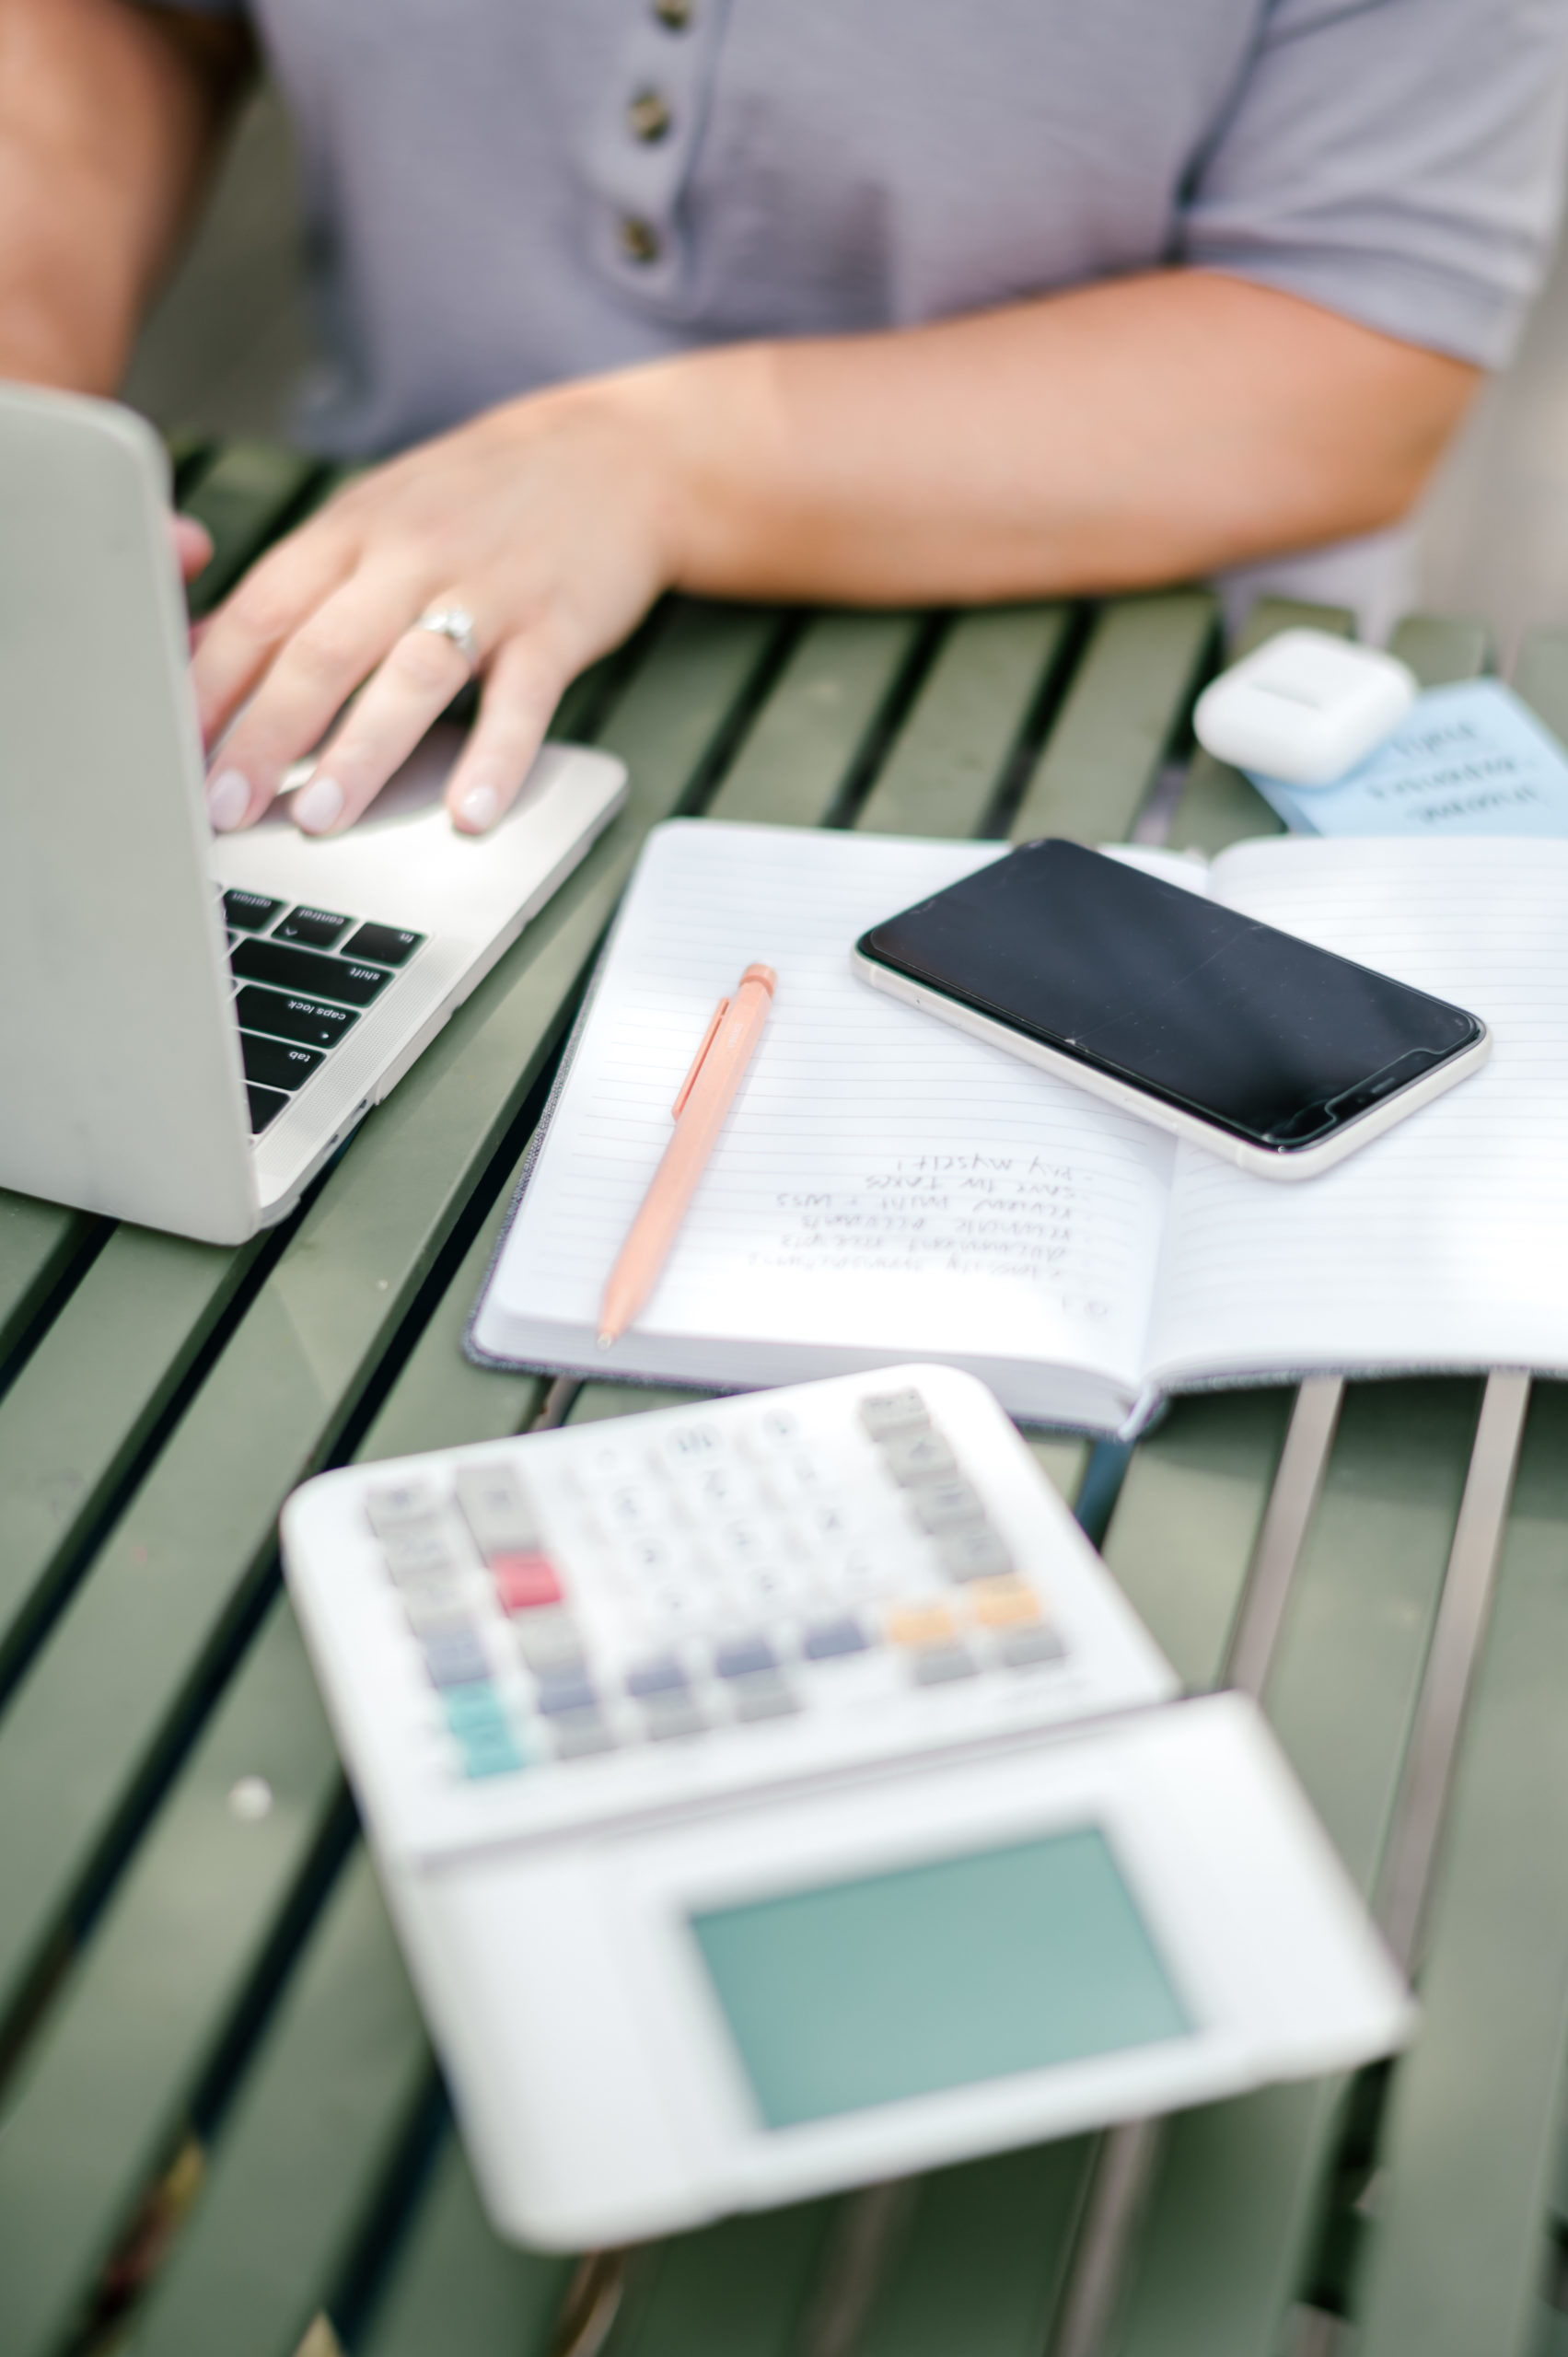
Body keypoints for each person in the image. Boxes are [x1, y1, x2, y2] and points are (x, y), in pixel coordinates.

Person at [4, 0, 1566, 842]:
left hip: (1087, 756)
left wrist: (651, 459)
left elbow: (1352, 357)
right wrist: (20, 372)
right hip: (360, 624)